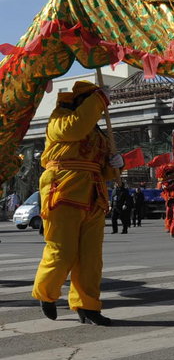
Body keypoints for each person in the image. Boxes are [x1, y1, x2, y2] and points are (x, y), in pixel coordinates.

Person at [32, 80, 122, 326]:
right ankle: (46, 293)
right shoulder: (59, 119)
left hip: (94, 195)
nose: (100, 110)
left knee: (91, 258)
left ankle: (88, 306)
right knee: (62, 252)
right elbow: (75, 128)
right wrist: (99, 98)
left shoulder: (98, 133)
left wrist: (115, 165)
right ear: (82, 102)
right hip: (63, 190)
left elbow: (103, 170)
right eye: (95, 102)